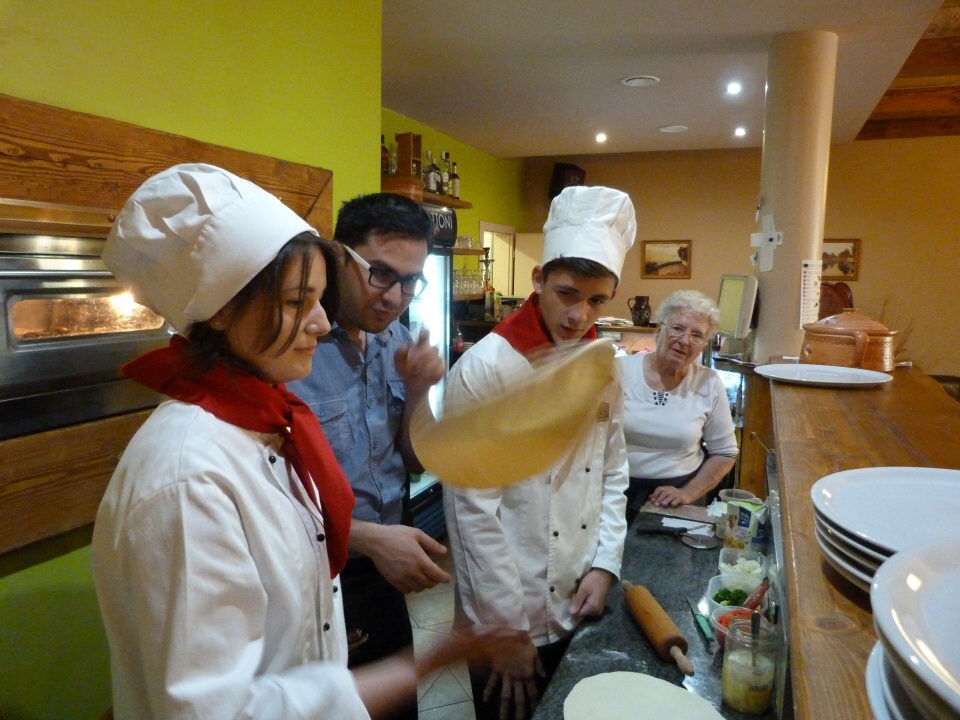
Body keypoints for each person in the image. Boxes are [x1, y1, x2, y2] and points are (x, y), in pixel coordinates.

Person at [91, 164, 480, 720]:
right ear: (222, 310)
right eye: (298, 302)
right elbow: (216, 710)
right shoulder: (186, 478)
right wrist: (409, 670)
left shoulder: (262, 422)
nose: (320, 323)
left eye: (318, 300)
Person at [442, 185, 635, 720]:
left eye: (596, 301)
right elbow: (471, 512)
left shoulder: (604, 365)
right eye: (567, 294)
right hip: (508, 607)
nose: (579, 315)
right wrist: (506, 629)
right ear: (537, 280)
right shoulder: (485, 369)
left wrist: (605, 564)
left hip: (579, 593)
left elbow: (613, 469)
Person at [286, 193, 448, 715]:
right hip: (318, 575)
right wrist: (370, 539)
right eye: (380, 274)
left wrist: (419, 390)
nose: (395, 296)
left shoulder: (394, 340)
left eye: (411, 281)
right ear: (339, 257)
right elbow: (268, 495)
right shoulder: (291, 350)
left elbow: (415, 461)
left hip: (386, 564)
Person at [618, 289, 738, 519]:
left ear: (703, 344)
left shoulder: (709, 383)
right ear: (660, 328)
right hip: (614, 493)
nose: (685, 341)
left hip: (677, 499)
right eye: (677, 328)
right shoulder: (618, 372)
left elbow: (724, 452)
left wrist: (687, 493)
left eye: (696, 335)